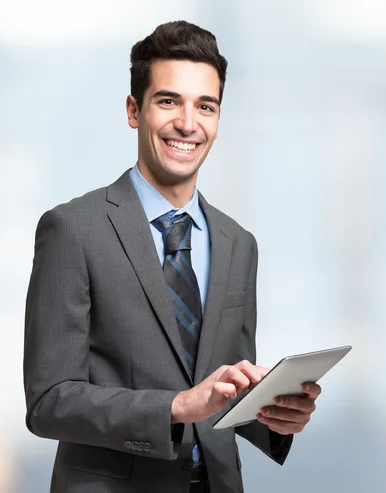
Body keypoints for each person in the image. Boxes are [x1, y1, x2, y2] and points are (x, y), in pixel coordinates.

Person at [23, 21, 321, 493]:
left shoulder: (238, 243)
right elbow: (49, 402)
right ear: (133, 110)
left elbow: (223, 394)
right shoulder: (72, 230)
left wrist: (273, 415)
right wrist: (176, 407)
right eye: (168, 101)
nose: (188, 123)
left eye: (206, 106)